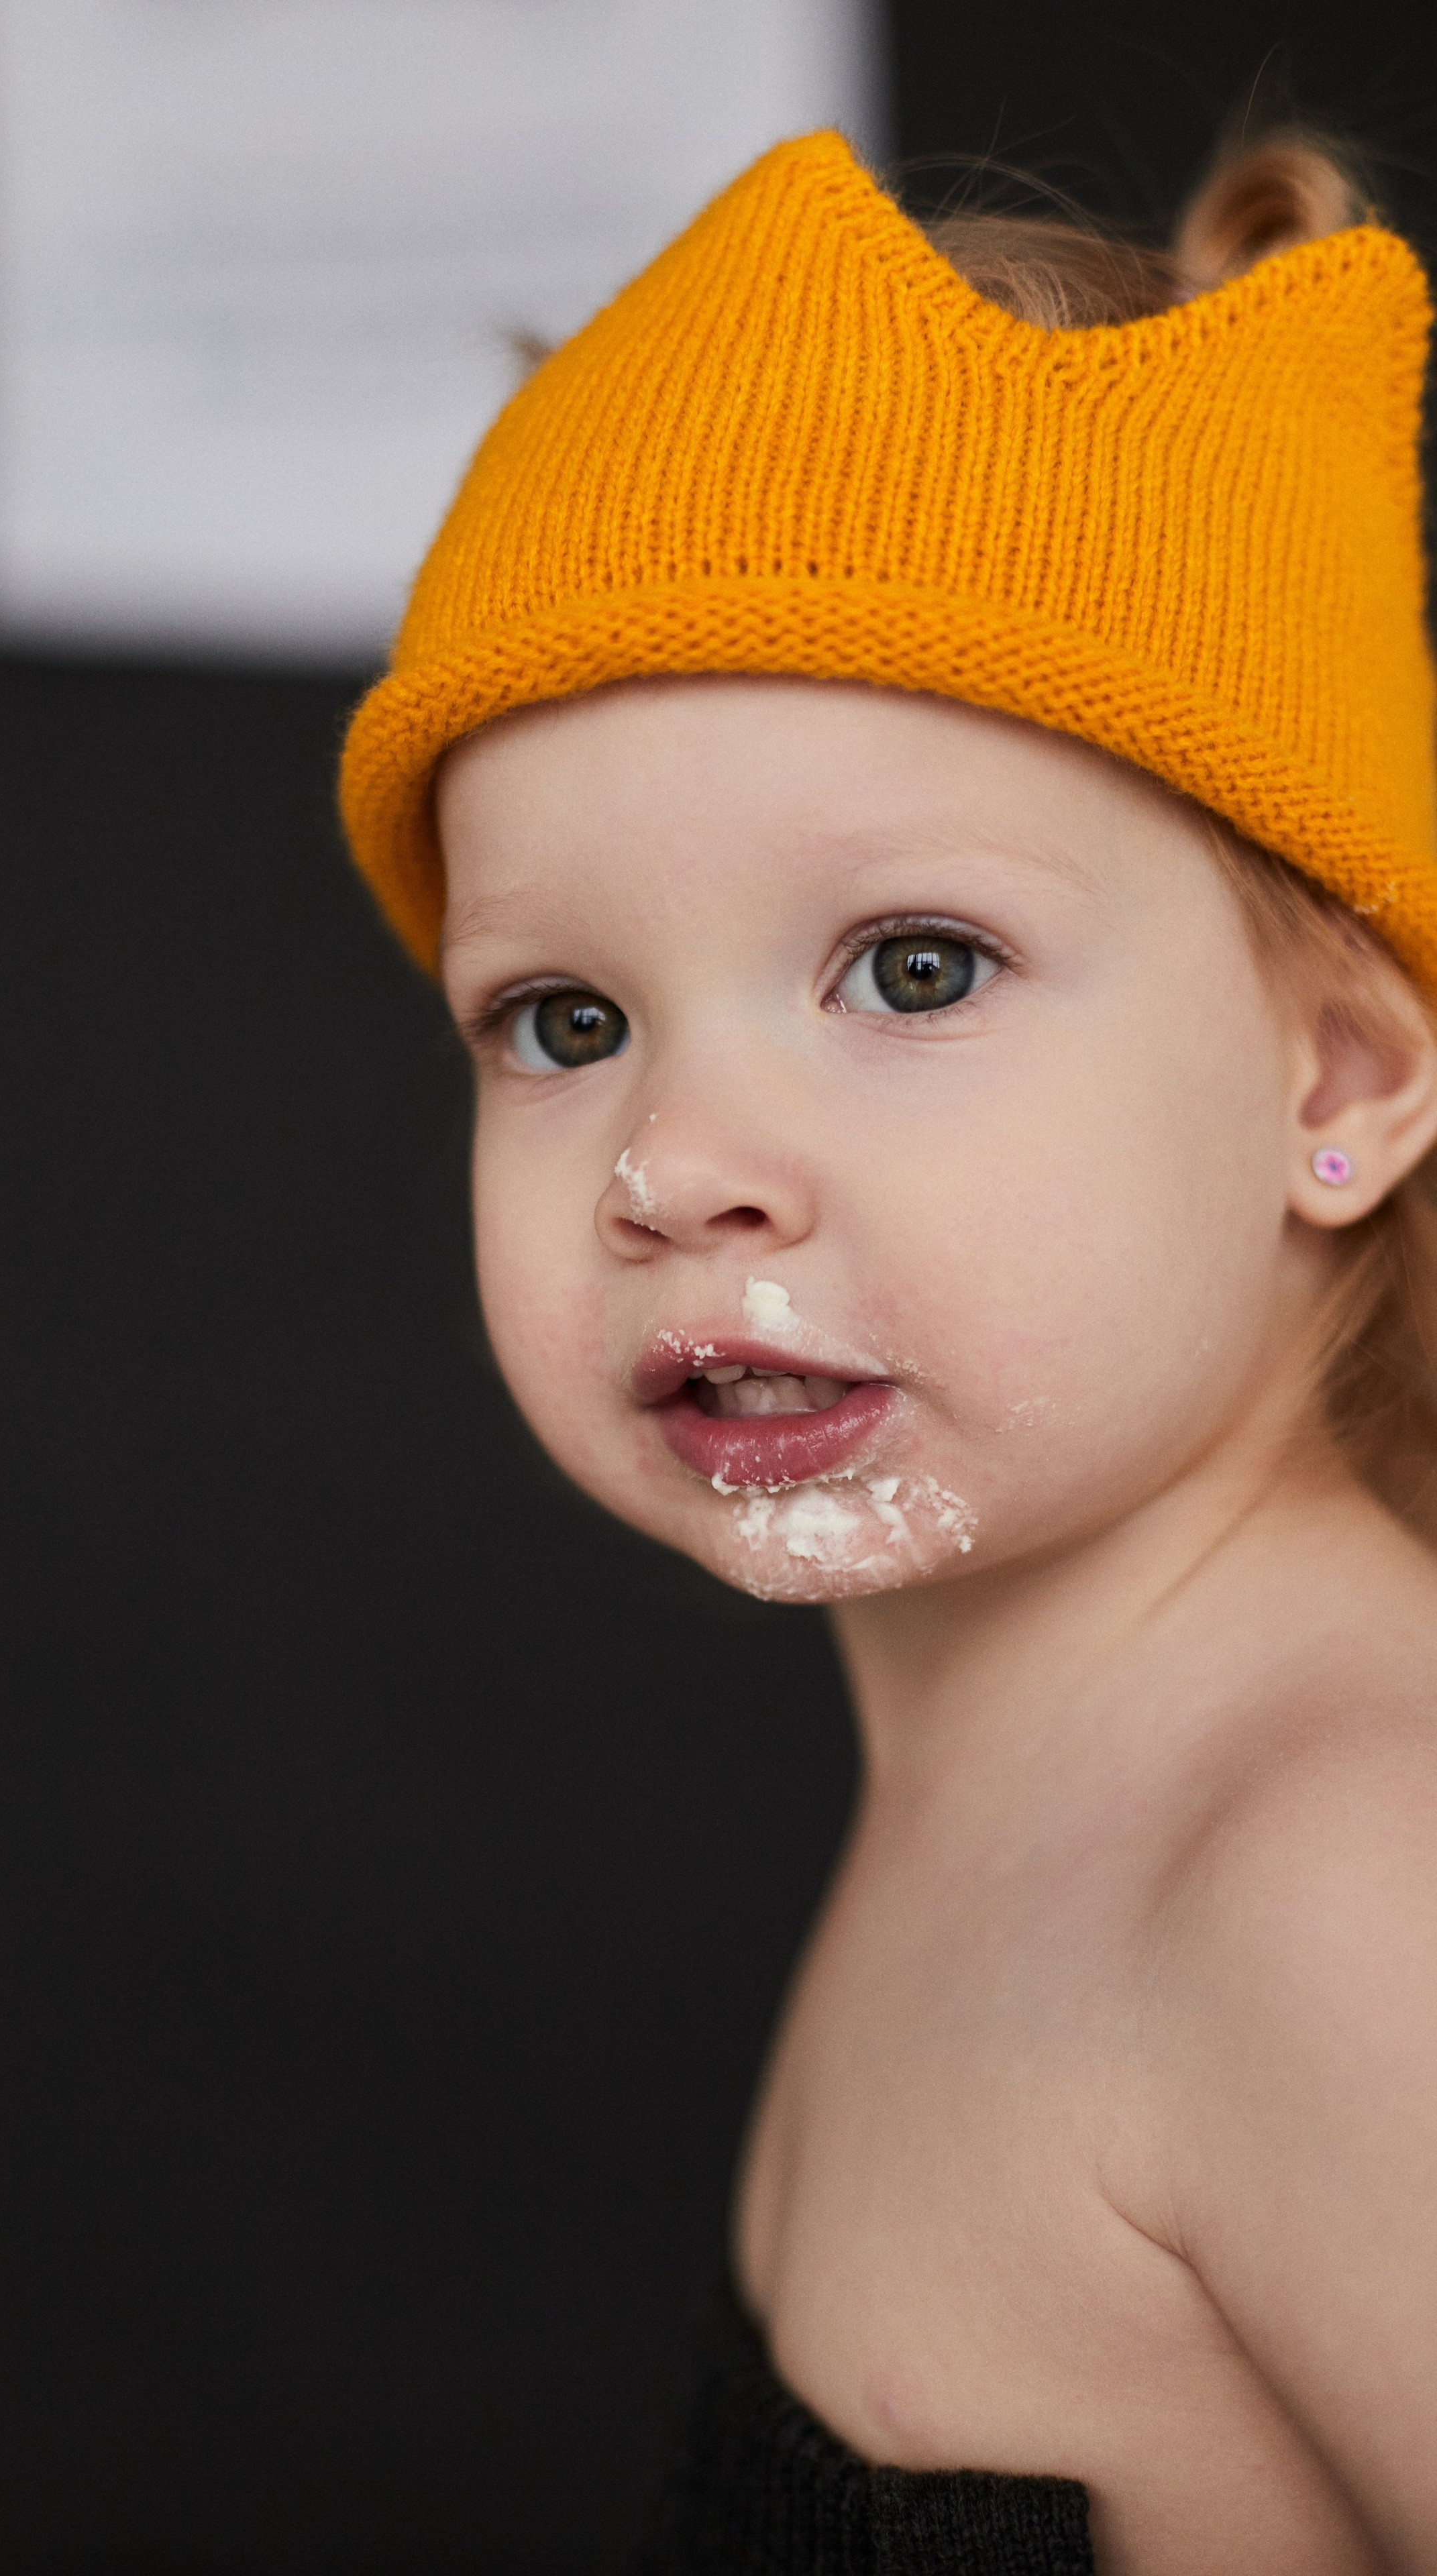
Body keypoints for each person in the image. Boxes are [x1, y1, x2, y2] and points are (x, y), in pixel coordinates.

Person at [340, 123, 1437, 2574]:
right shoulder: (1032, 1768)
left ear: (1334, 1085)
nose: (675, 1160)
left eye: (914, 968)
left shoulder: (1348, 1882)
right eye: (562, 1013)